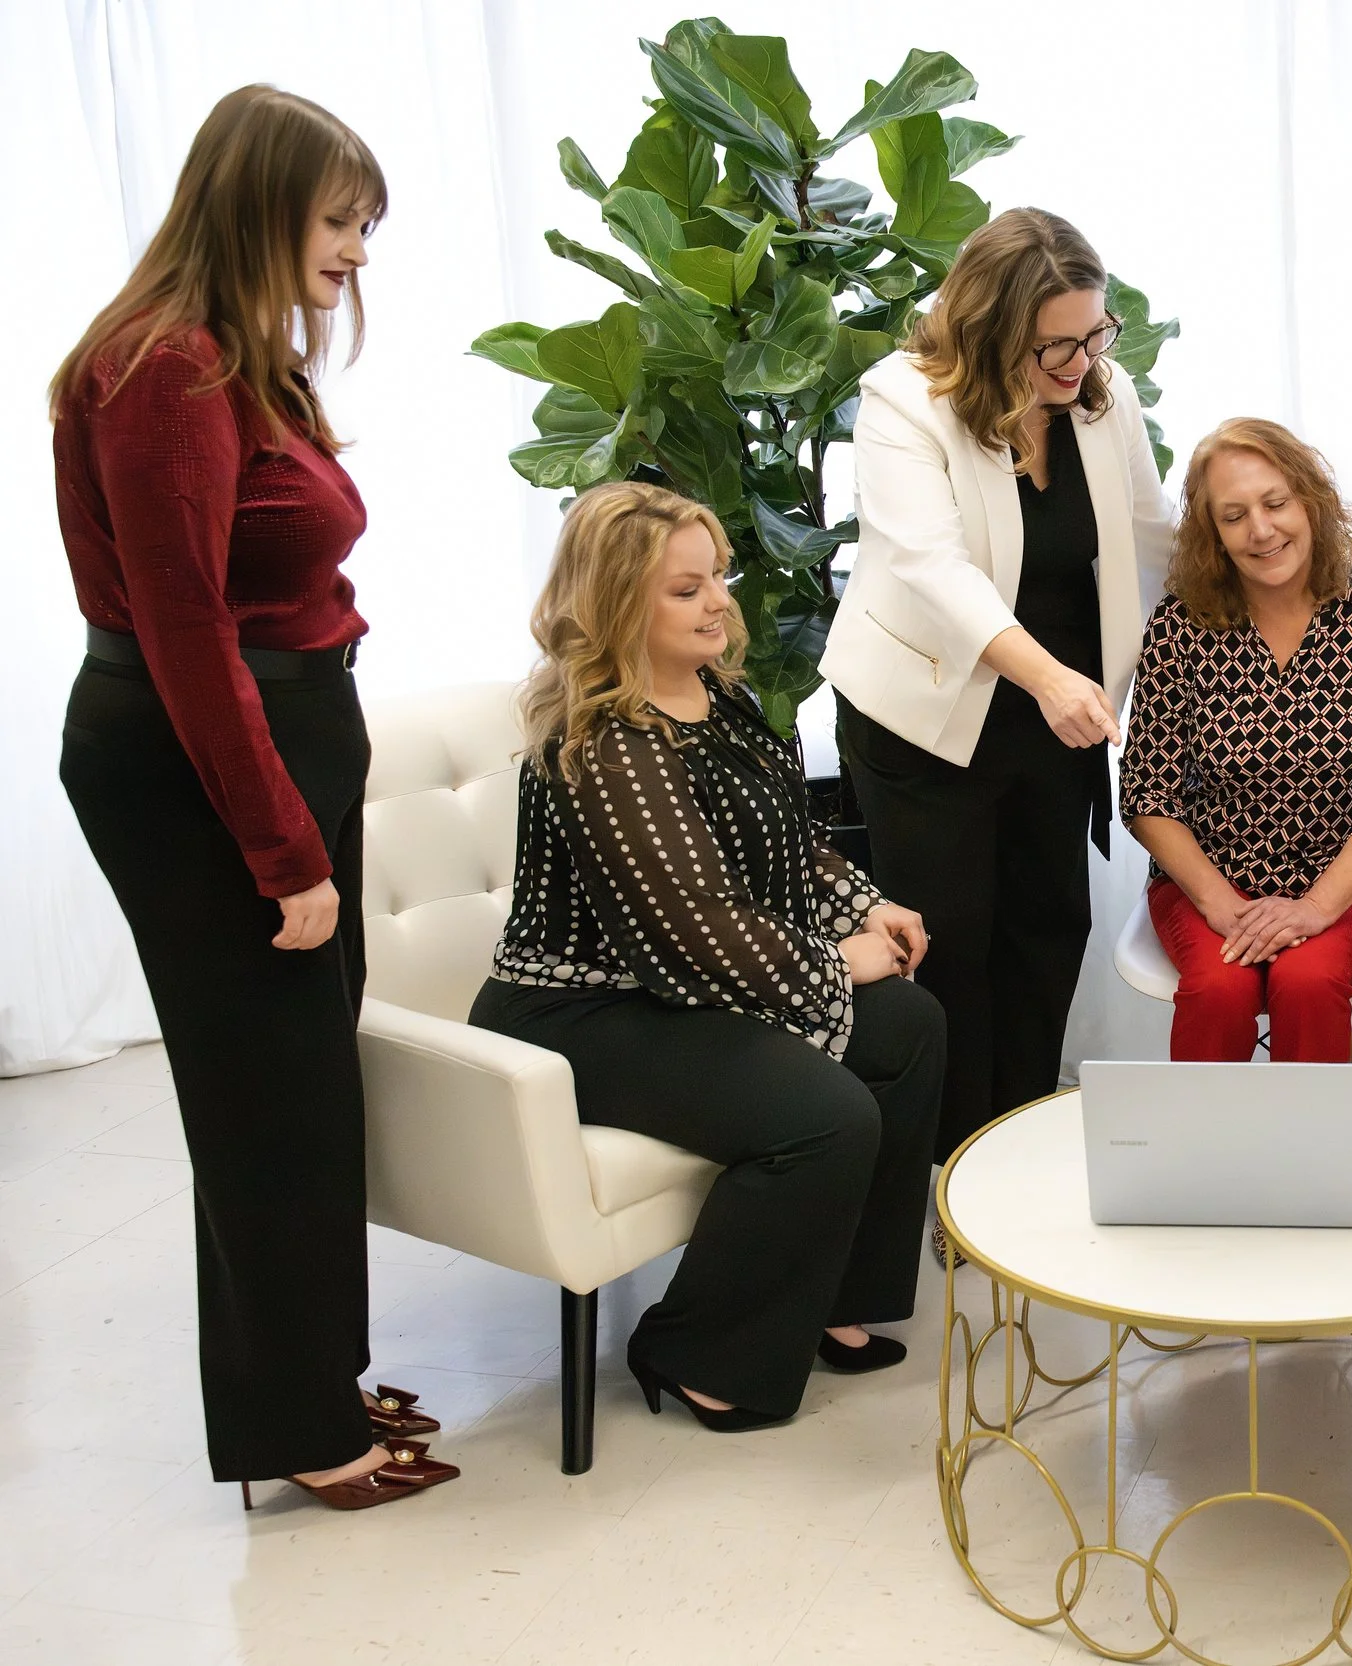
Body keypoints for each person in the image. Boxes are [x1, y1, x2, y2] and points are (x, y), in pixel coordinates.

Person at [50, 85, 459, 1513]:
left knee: (298, 1081)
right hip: (205, 765)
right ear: (260, 205)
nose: (356, 250)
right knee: (266, 1095)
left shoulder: (231, 355)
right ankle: (305, 1427)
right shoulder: (165, 372)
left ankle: (310, 1378)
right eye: (340, 220)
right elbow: (184, 636)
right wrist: (283, 847)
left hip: (273, 731)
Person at [469, 482, 944, 1432]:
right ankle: (692, 1349)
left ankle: (830, 1301)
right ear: (615, 603)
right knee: (824, 1117)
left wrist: (868, 902)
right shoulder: (600, 740)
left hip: (674, 985)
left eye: (717, 577)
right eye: (686, 590)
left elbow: (783, 843)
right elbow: (690, 923)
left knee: (912, 1028)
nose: (719, 601)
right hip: (582, 1012)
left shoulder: (715, 697)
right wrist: (835, 963)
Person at [825, 208, 1173, 1199]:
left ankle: (1014, 1153)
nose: (1081, 363)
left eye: (1093, 334)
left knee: (1045, 926)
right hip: (927, 714)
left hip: (1055, 716)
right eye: (1054, 345)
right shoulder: (903, 402)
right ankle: (949, 1174)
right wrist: (1048, 677)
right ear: (988, 332)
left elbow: (1153, 533)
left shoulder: (1104, 396)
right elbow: (932, 567)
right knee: (952, 946)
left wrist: (1278, 560)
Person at [1121, 419, 1352, 1063]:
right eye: (1233, 516)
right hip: (1208, 880)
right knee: (1218, 986)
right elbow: (1147, 793)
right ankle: (1207, 1162)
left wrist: (1317, 907)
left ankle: (1318, 1161)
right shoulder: (1179, 624)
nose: (1261, 531)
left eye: (1275, 503)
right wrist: (1220, 904)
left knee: (1309, 980)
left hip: (1342, 878)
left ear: (1310, 501)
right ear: (1212, 533)